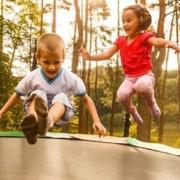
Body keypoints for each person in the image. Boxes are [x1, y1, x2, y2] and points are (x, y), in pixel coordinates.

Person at [78, 4, 180, 124]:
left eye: (129, 20)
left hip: (145, 76)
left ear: (140, 21)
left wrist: (169, 43)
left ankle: (152, 104)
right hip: (130, 78)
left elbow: (156, 41)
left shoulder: (144, 37)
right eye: (123, 21)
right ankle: (133, 112)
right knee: (121, 95)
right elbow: (107, 54)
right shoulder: (121, 40)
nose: (125, 24)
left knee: (141, 86)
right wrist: (89, 57)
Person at [0, 33, 107, 144]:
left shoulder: (70, 78)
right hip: (38, 108)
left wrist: (97, 121)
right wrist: (1, 112)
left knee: (61, 96)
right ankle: (33, 124)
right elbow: (17, 95)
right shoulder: (32, 76)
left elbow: (86, 99)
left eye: (57, 62)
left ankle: (47, 121)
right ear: (38, 58)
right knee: (38, 94)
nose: (52, 67)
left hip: (61, 111)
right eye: (46, 62)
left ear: (63, 58)